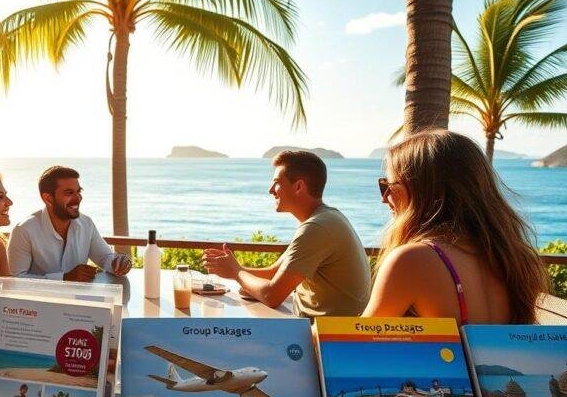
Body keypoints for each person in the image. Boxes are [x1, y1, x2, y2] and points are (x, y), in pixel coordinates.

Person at [362, 130, 548, 324]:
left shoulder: (412, 260)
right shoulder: (512, 256)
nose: (385, 198)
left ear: (422, 190)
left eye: (388, 186)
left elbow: (359, 337)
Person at [203, 151, 371, 314]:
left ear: (298, 186)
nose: (271, 190)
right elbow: (274, 273)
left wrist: (236, 272)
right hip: (321, 322)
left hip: (324, 330)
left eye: (276, 182)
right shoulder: (325, 218)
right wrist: (233, 269)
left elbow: (271, 296)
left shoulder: (316, 227)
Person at [8, 166, 131, 281]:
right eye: (69, 193)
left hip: (79, 297)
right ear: (48, 198)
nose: (78, 198)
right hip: (39, 298)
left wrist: (118, 263)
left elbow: (105, 257)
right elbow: (16, 280)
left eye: (78, 191)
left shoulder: (86, 224)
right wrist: (64, 278)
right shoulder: (23, 231)